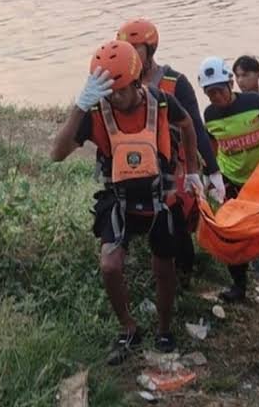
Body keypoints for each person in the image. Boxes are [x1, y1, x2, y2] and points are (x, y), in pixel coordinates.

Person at [50, 40, 202, 364]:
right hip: (117, 199)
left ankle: (164, 328)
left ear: (137, 82)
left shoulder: (161, 102)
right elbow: (56, 154)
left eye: (119, 90)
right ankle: (129, 327)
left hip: (160, 196)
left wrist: (193, 170)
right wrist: (80, 105)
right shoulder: (94, 112)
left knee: (164, 267)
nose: (113, 97)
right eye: (107, 90)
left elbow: (188, 124)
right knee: (109, 264)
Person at [117, 19, 225, 287]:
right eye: (125, 48)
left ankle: (184, 277)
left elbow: (195, 126)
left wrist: (211, 171)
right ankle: (134, 271)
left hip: (170, 166)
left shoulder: (175, 82)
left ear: (150, 49)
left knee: (176, 224)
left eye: (135, 48)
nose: (129, 54)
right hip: (129, 166)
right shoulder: (116, 82)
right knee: (125, 219)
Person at [197, 56, 259, 302]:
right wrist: (211, 176)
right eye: (210, 93)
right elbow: (211, 146)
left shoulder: (254, 102)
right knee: (231, 231)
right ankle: (239, 285)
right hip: (231, 178)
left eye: (219, 90)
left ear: (230, 84)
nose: (216, 97)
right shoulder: (210, 115)